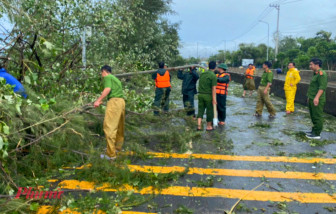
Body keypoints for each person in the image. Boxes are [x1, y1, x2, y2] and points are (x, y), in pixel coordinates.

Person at [94, 65, 125, 160]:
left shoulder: (107, 77)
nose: (102, 75)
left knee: (109, 127)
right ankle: (117, 148)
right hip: (121, 102)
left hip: (114, 102)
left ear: (104, 71)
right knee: (119, 127)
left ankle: (111, 155)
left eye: (101, 73)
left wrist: (98, 100)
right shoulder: (116, 79)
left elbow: (107, 89)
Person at [306, 58, 327, 140]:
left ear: (316, 65)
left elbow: (322, 88)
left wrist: (317, 98)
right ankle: (313, 131)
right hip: (312, 97)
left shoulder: (322, 74)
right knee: (313, 115)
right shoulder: (315, 74)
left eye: (311, 64)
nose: (310, 66)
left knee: (317, 116)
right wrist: (309, 97)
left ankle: (317, 134)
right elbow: (313, 87)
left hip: (317, 99)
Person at [197, 61, 217, 131]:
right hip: (208, 96)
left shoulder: (202, 74)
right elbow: (214, 89)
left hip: (200, 94)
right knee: (209, 111)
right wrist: (214, 99)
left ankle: (199, 126)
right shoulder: (213, 76)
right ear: (215, 67)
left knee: (200, 110)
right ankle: (208, 126)